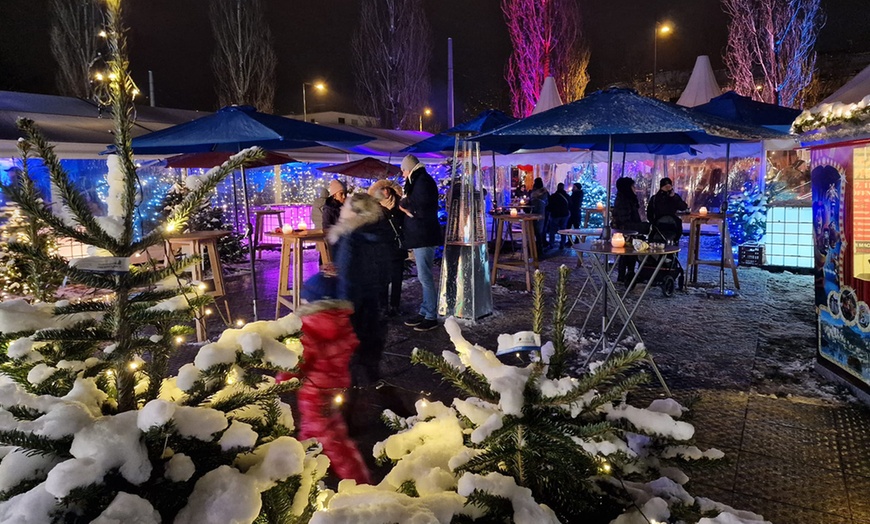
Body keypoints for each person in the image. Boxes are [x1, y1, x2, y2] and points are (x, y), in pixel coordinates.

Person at [327, 193, 393, 386]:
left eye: (346, 206)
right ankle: (371, 376)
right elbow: (386, 270)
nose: (341, 209)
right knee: (370, 344)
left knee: (350, 348)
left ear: (356, 212)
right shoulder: (378, 231)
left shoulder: (350, 237)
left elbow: (347, 275)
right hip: (374, 301)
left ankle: (348, 387)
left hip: (352, 302)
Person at [398, 154, 442, 332]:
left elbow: (419, 205)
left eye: (403, 171)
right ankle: (425, 311)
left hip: (424, 236)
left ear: (410, 168)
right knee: (423, 276)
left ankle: (431, 315)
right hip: (420, 235)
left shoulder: (422, 181)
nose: (402, 175)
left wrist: (404, 204)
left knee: (425, 277)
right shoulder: (419, 180)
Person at [369, 179, 406, 317]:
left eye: (388, 189)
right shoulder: (376, 210)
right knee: (382, 280)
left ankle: (395, 306)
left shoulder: (399, 207)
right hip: (382, 249)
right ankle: (382, 306)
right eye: (383, 189)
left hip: (397, 248)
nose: (386, 192)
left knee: (397, 280)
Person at [612, 177, 649, 283]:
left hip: (630, 232)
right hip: (626, 233)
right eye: (633, 186)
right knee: (627, 254)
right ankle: (625, 277)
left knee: (630, 255)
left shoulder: (628, 199)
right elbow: (625, 221)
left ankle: (629, 275)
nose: (635, 188)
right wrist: (643, 227)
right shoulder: (624, 201)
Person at [647, 177, 688, 241]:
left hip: (672, 225)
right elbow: (650, 213)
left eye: (669, 187)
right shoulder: (655, 198)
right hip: (659, 224)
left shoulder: (674, 197)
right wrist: (653, 222)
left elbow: (683, 207)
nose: (668, 189)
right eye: (666, 187)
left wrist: (674, 197)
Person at [546, 182, 571, 249]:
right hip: (565, 214)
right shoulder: (567, 196)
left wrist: (548, 211)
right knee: (563, 229)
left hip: (555, 215)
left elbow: (550, 205)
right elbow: (570, 204)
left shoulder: (553, 196)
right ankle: (562, 244)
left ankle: (551, 243)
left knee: (552, 230)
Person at [529, 177, 549, 255]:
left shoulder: (534, 194)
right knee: (540, 232)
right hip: (543, 213)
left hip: (535, 213)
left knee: (535, 231)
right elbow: (548, 203)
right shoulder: (545, 193)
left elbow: (532, 204)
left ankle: (535, 248)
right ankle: (539, 248)